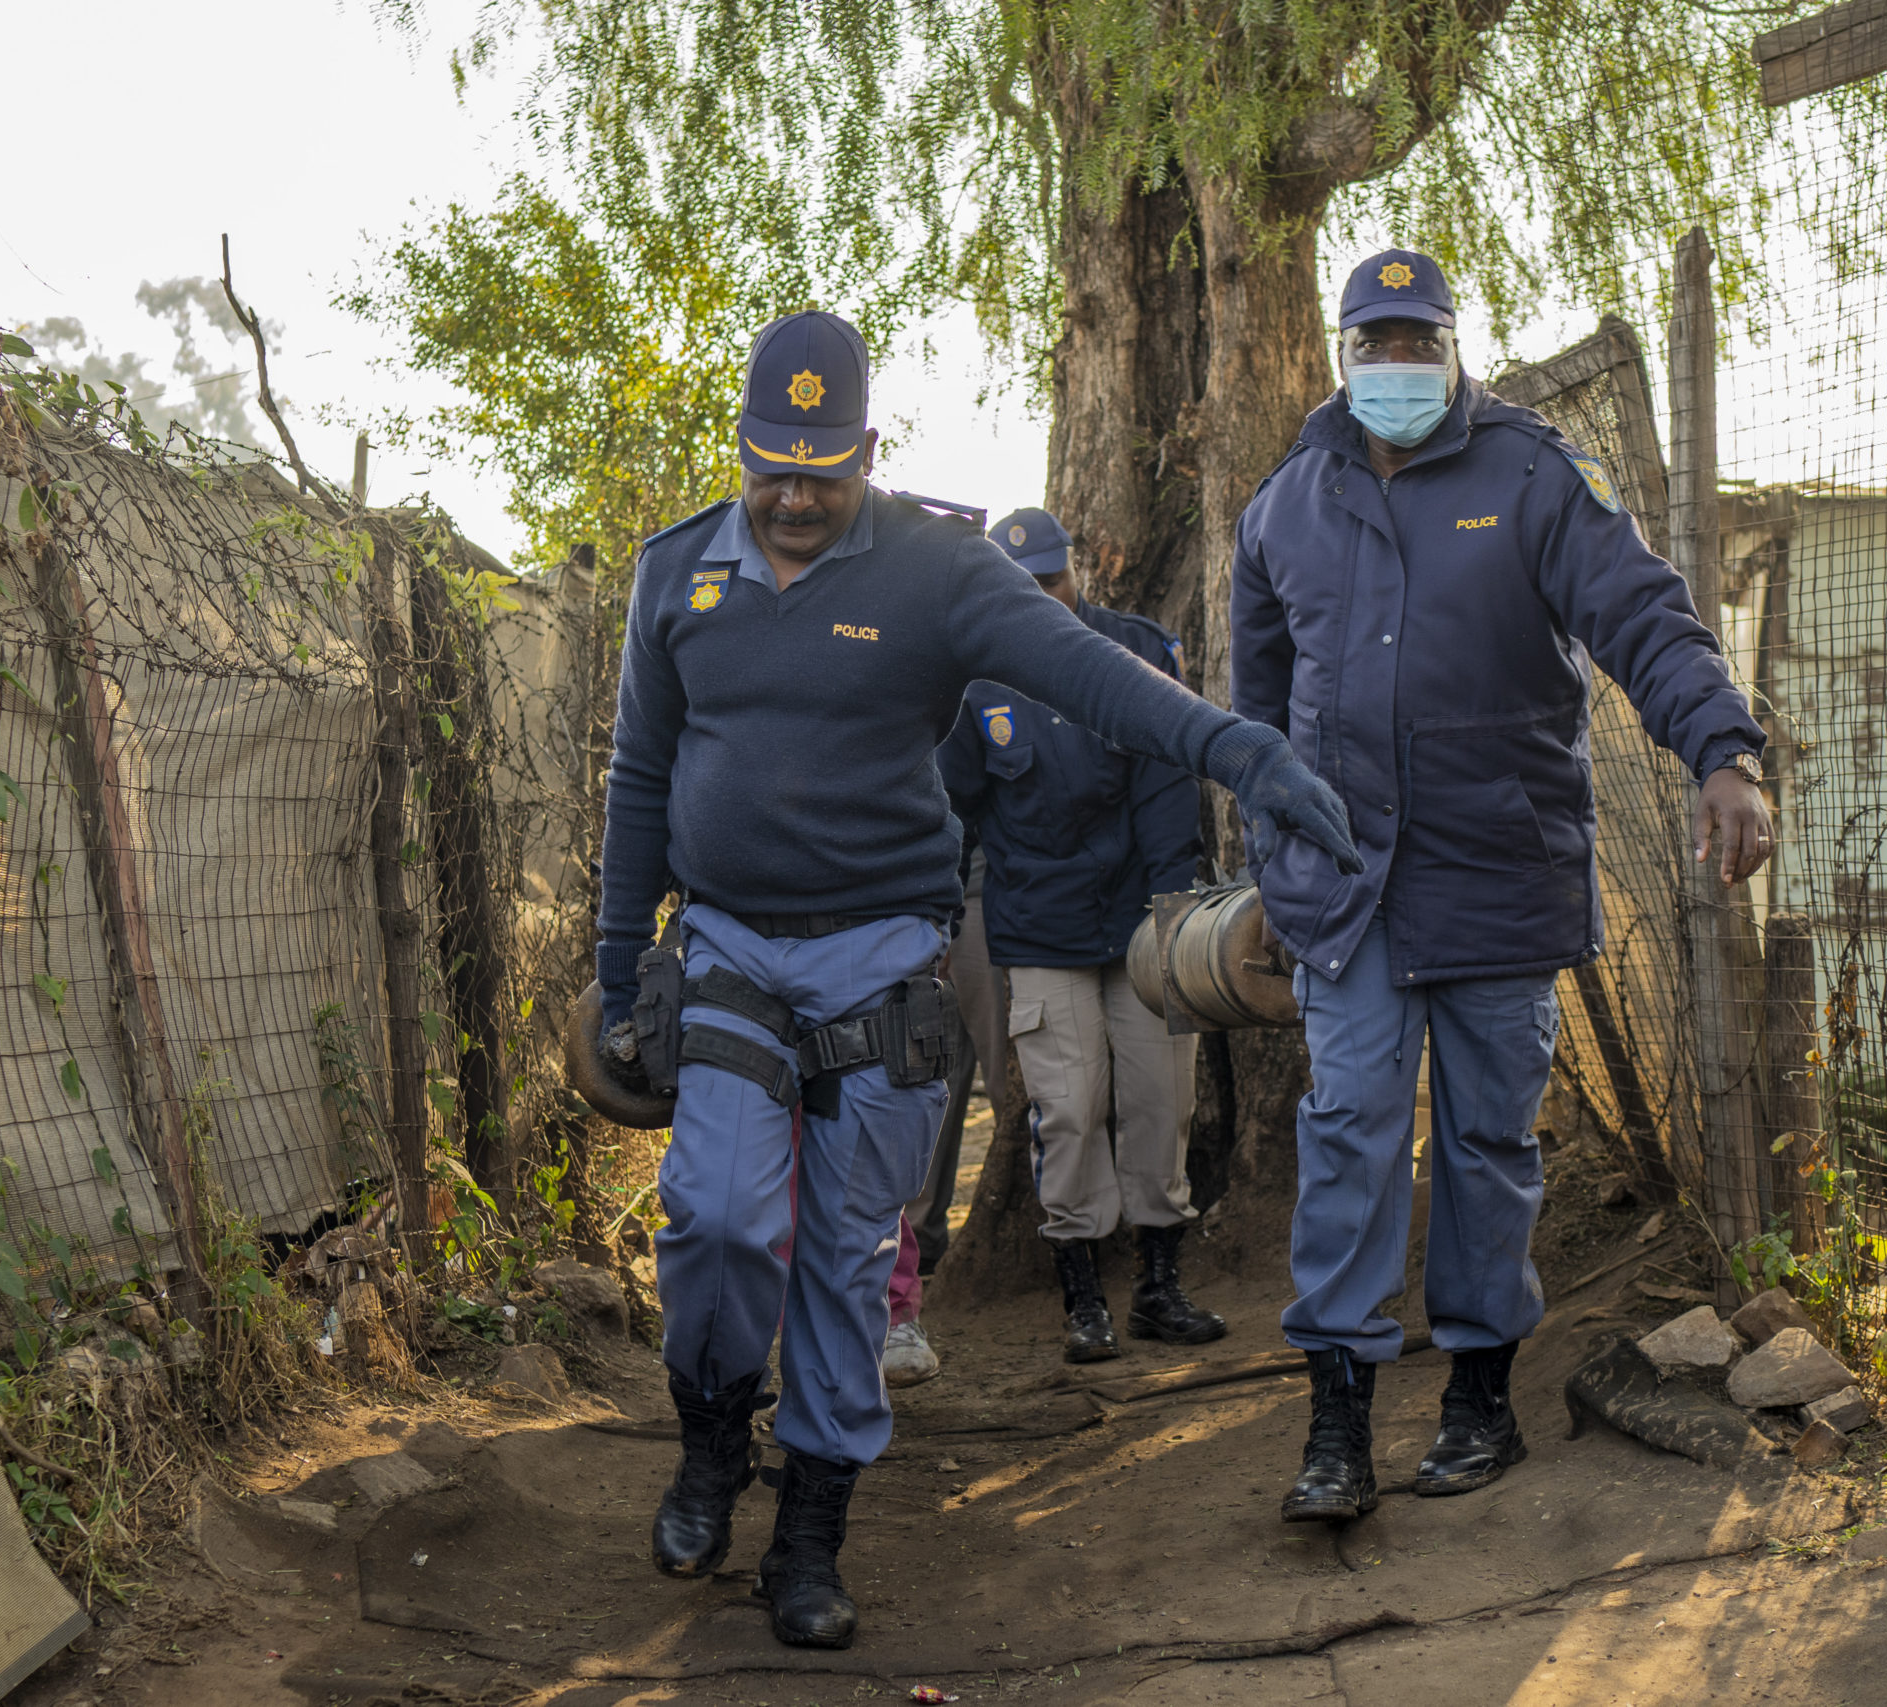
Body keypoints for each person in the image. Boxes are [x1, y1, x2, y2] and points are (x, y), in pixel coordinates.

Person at [597, 310, 1359, 1649]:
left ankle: (814, 1528)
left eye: (819, 470)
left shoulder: (936, 573)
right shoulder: (675, 577)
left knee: (842, 1253)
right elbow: (641, 781)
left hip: (879, 955)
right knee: (717, 1219)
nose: (788, 496)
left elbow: (1096, 678)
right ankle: (712, 1438)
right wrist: (614, 969)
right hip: (723, 944)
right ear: (740, 448)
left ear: (869, 451)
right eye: (767, 464)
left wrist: (1242, 753)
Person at [1227, 250, 1772, 1524]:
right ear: (1342, 353)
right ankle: (1337, 1423)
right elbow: (1256, 706)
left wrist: (1722, 750)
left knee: (1485, 1142)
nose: (1399, 365)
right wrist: (1272, 847)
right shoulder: (1286, 502)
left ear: (1454, 349)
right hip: (1350, 889)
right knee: (1353, 1130)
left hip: (1495, 872)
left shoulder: (1532, 475)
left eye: (1420, 341)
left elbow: (1644, 615)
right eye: (1378, 343)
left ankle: (1478, 1396)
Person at [938, 507, 1224, 1364]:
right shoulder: (972, 686)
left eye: (1054, 579)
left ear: (1079, 574)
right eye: (1024, 586)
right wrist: (935, 913)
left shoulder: (1135, 651)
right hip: (1039, 929)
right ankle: (1083, 1300)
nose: (1043, 598)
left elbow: (1170, 789)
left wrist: (1177, 921)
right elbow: (950, 811)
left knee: (1158, 1102)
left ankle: (1158, 1289)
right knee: (1068, 1112)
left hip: (1143, 925)